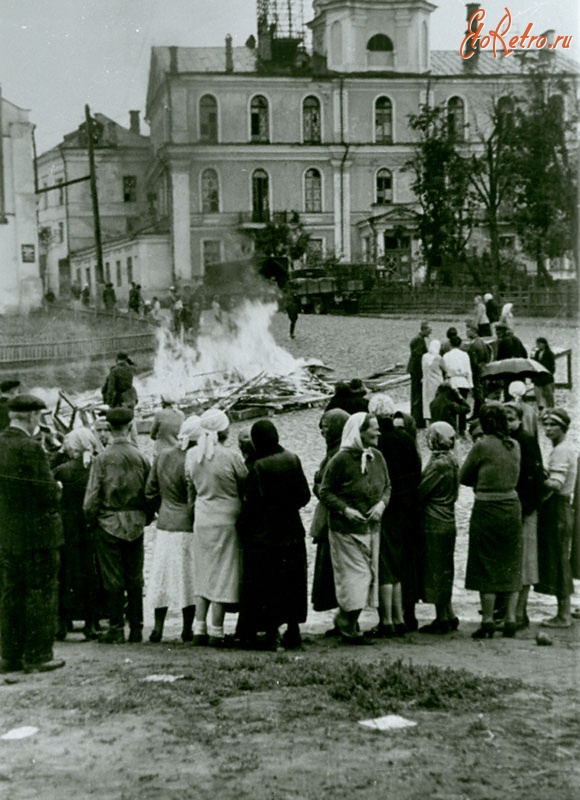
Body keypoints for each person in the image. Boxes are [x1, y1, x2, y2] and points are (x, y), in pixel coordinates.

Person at [0, 394, 65, 673]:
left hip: (7, 533)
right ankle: (38, 654)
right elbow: (47, 492)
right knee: (40, 592)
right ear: (31, 416)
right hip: (37, 535)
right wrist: (58, 488)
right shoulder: (30, 448)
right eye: (38, 415)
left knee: (10, 594)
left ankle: (10, 656)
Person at [237, 420, 310, 650]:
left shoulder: (256, 466)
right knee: (293, 582)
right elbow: (305, 496)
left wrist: (242, 526)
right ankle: (294, 631)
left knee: (266, 584)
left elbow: (251, 504)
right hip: (292, 529)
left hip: (265, 534)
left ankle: (271, 633)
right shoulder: (292, 458)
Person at [320, 412, 390, 644]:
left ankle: (347, 622)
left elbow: (388, 486)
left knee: (367, 577)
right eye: (374, 428)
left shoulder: (377, 457)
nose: (379, 432)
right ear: (360, 433)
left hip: (372, 528)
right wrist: (345, 510)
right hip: (345, 530)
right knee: (357, 577)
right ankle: (347, 622)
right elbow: (325, 491)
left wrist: (381, 504)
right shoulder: (340, 460)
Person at [83, 407, 151, 644]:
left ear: (109, 429)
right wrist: (146, 516)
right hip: (135, 522)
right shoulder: (140, 457)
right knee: (135, 577)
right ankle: (137, 628)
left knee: (112, 578)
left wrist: (91, 520)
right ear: (130, 426)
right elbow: (151, 492)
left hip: (109, 522)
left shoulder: (102, 459)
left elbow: (91, 497)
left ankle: (115, 628)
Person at [185, 408, 248, 647]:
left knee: (203, 571)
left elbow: (189, 484)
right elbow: (244, 483)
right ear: (224, 430)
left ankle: (199, 627)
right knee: (224, 572)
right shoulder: (231, 456)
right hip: (227, 518)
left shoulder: (192, 455)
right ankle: (217, 629)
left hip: (202, 517)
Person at [460, 404, 522, 639]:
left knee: (485, 561)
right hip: (511, 505)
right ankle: (510, 618)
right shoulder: (514, 445)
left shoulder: (481, 446)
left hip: (486, 506)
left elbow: (463, 476)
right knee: (510, 562)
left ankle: (487, 619)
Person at [145, 415, 201, 644]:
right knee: (188, 578)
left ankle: (157, 628)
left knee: (161, 576)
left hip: (166, 523)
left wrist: (159, 509)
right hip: (187, 525)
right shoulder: (194, 459)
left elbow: (150, 490)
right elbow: (195, 495)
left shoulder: (162, 456)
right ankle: (187, 628)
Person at [368, 393, 421, 636]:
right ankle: (402, 616)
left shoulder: (377, 443)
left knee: (385, 563)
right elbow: (416, 470)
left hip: (387, 506)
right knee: (400, 563)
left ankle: (387, 620)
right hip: (408, 507)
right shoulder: (406, 438)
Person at [53, 428, 101, 642]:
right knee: (90, 572)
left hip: (67, 525)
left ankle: (62, 621)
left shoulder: (62, 470)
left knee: (65, 572)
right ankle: (91, 623)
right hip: (90, 525)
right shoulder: (95, 468)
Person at [535, 409, 578, 629]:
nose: (548, 429)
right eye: (546, 425)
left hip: (557, 508)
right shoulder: (565, 448)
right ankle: (564, 610)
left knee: (559, 560)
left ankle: (563, 614)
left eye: (553, 425)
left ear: (562, 427)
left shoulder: (561, 451)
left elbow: (555, 483)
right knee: (560, 559)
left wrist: (537, 482)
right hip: (562, 508)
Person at [504, 403, 544, 630]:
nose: (508, 423)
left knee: (526, 563)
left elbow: (534, 477)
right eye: (505, 419)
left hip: (525, 509)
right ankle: (514, 611)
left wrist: (527, 507)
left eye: (511, 418)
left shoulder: (526, 440)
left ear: (519, 419)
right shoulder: (509, 440)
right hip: (515, 508)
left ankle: (520, 611)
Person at [418, 421, 460, 634]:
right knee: (446, 568)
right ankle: (449, 612)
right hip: (448, 518)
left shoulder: (438, 464)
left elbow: (422, 490)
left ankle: (441, 616)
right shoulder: (452, 460)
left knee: (436, 568)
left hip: (434, 519)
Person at [310, 409, 350, 617]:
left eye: (326, 428)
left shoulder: (337, 455)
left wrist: (317, 485)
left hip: (332, 522)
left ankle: (344, 618)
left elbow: (326, 489)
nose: (323, 433)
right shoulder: (336, 451)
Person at [442, 334, 473, 434]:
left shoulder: (446, 356)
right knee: (463, 406)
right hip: (463, 381)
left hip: (452, 381)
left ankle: (452, 427)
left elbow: (445, 370)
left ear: (450, 344)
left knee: (452, 406)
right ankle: (462, 428)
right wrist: (470, 384)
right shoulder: (465, 355)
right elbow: (469, 370)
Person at [407, 321, 431, 428]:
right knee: (417, 394)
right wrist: (423, 373)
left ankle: (417, 418)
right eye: (429, 329)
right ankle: (417, 419)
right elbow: (418, 358)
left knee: (417, 394)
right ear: (424, 329)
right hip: (417, 371)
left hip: (415, 370)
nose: (430, 331)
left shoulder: (419, 339)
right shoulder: (419, 340)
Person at [465, 322, 490, 418]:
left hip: (477, 373)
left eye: (468, 330)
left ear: (473, 331)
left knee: (478, 395)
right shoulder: (482, 342)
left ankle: (479, 414)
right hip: (483, 370)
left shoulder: (474, 344)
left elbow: (473, 362)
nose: (466, 333)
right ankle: (476, 414)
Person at [421, 339, 445, 425]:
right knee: (437, 400)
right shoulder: (438, 358)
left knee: (427, 401)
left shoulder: (424, 357)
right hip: (436, 382)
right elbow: (445, 368)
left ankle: (427, 422)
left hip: (426, 382)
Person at [531, 337, 556, 410]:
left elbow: (552, 367)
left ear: (544, 344)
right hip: (538, 378)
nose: (538, 345)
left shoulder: (549, 353)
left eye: (539, 344)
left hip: (546, 378)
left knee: (549, 396)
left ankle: (551, 409)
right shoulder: (537, 353)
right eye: (537, 344)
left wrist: (549, 374)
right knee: (539, 396)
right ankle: (541, 409)